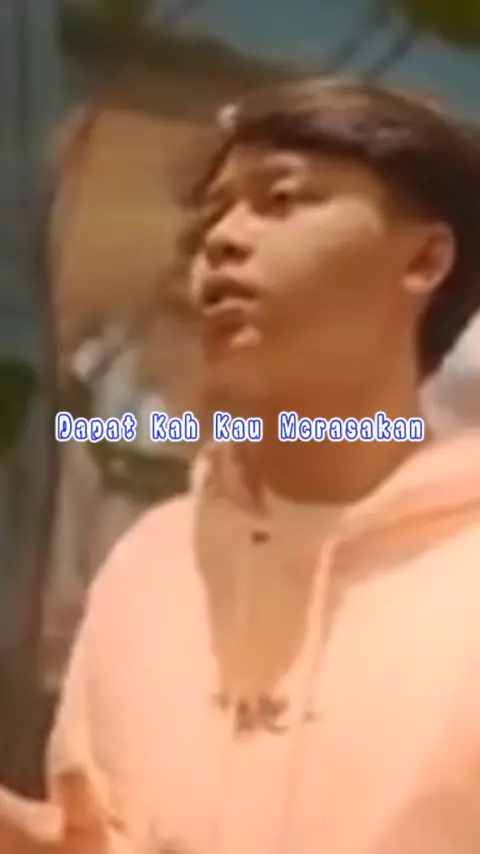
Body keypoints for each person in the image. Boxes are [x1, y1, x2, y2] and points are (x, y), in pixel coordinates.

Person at [2, 76, 480, 854]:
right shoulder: (151, 563)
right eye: (210, 219)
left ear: (424, 259)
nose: (222, 240)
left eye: (280, 199)